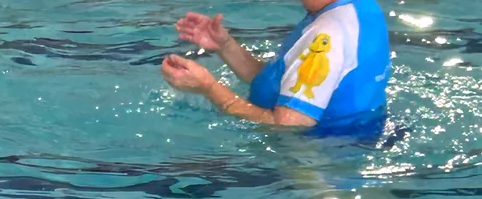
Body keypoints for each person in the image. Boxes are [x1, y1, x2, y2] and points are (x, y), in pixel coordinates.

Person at [161, 0, 390, 136]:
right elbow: (283, 83)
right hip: (361, 134)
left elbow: (287, 127)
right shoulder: (356, 8)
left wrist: (209, 88)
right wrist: (225, 46)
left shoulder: (327, 35)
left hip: (322, 160)